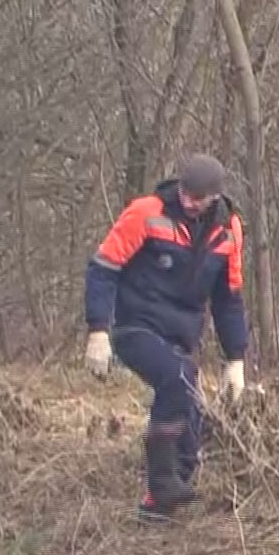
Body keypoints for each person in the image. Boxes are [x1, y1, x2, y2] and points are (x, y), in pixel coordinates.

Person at [83, 152, 249, 524]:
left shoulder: (229, 231)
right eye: (184, 194)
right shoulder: (147, 212)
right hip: (135, 325)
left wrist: (235, 359)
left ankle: (162, 505)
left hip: (181, 333)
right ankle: (160, 481)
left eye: (197, 198)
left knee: (190, 409)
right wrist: (98, 330)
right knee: (179, 377)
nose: (188, 202)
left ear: (214, 198)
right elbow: (103, 269)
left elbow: (228, 298)